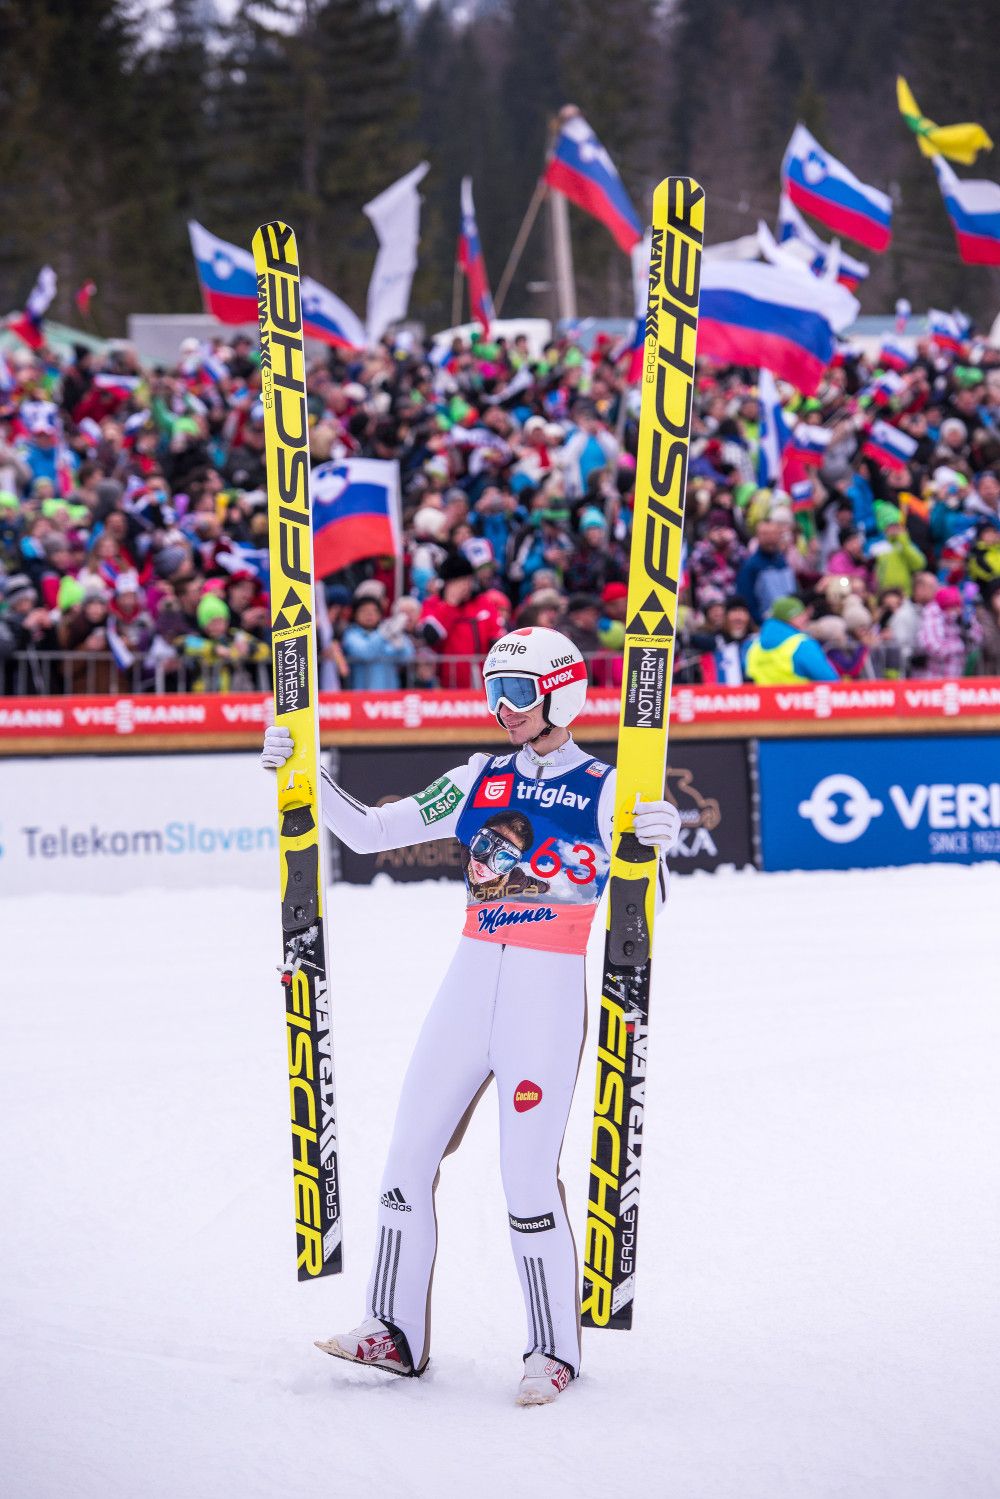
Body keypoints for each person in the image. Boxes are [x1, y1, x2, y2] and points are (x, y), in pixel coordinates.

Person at [260, 627, 681, 1406]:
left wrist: (662, 842)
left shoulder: (608, 784)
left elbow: (645, 912)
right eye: (492, 691)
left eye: (517, 692)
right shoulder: (479, 776)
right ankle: (392, 1329)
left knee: (526, 1178)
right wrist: (302, 771)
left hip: (546, 995)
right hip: (467, 983)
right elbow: (373, 830)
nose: (502, 708)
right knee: (406, 1158)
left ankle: (552, 1350)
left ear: (561, 692)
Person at [745, 596, 839, 685]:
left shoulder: (754, 647)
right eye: (799, 614)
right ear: (789, 617)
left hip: (765, 701)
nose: (805, 618)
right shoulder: (801, 644)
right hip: (799, 700)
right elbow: (830, 680)